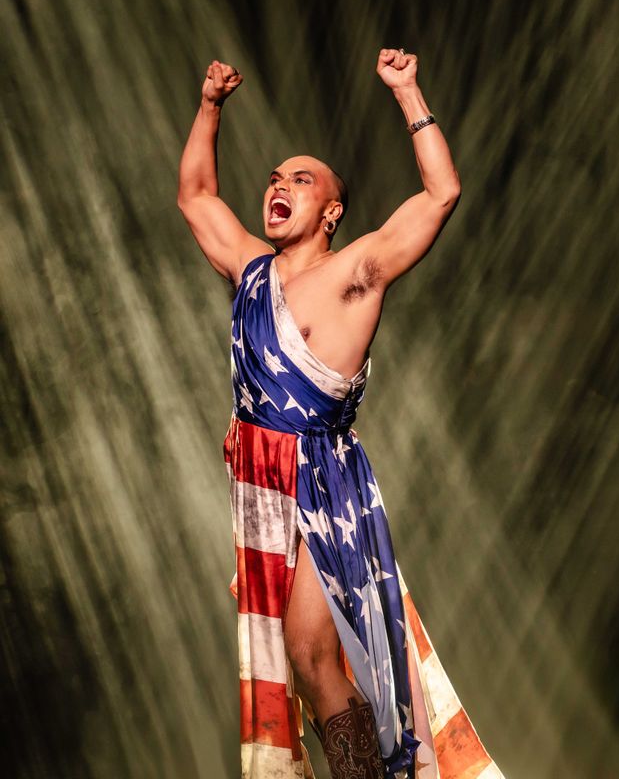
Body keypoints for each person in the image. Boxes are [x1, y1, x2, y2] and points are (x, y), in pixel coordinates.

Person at [178, 49, 504, 779]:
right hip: (258, 486)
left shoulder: (355, 272)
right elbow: (195, 195)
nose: (278, 185)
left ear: (331, 211)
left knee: (311, 651)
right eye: (274, 177)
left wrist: (407, 90)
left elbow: (441, 192)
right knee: (302, 660)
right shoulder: (250, 270)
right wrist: (210, 107)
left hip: (321, 484)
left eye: (301, 180)